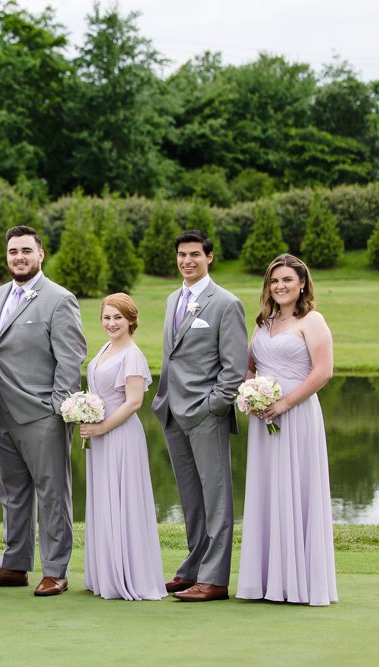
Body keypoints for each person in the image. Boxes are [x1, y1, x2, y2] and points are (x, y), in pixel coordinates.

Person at [0, 225, 87, 597]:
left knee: (52, 492)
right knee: (10, 491)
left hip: (41, 414)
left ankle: (55, 569)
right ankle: (14, 563)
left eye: (25, 251)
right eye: (12, 252)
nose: (18, 257)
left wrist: (57, 409)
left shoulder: (59, 299)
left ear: (40, 255)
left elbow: (70, 361)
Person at [151, 229, 247, 602]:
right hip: (172, 412)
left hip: (206, 414)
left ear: (209, 257)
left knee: (217, 498)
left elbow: (234, 368)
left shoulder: (225, 303)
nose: (187, 260)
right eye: (181, 255)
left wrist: (213, 406)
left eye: (194, 254)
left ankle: (215, 579)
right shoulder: (174, 298)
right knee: (191, 499)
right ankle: (192, 568)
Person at [237, 254, 338, 606]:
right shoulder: (262, 322)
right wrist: (250, 395)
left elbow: (323, 371)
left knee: (296, 487)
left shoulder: (312, 320)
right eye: (274, 280)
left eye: (287, 280)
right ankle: (267, 579)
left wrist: (285, 403)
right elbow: (250, 367)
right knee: (268, 489)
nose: (280, 286)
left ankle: (300, 582)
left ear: (302, 284)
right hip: (264, 420)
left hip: (296, 415)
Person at [79, 294, 165, 601]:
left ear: (131, 320)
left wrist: (101, 427)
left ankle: (128, 574)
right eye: (107, 317)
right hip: (99, 436)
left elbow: (134, 402)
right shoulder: (104, 348)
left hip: (120, 435)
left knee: (123, 498)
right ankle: (106, 572)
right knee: (104, 498)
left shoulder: (132, 355)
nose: (112, 323)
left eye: (118, 317)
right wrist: (85, 415)